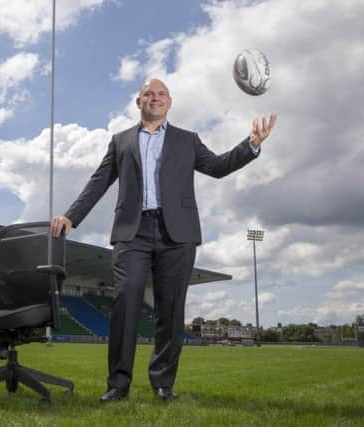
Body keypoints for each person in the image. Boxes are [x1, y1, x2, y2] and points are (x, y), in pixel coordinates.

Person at [51, 78, 276, 402]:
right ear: (138, 101)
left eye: (161, 94)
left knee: (171, 310)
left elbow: (216, 166)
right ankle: (118, 384)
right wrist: (72, 216)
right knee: (127, 300)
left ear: (169, 103)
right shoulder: (121, 141)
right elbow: (98, 182)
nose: (155, 98)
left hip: (178, 234)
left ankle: (162, 383)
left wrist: (250, 144)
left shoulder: (187, 140)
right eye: (148, 94)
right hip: (132, 233)